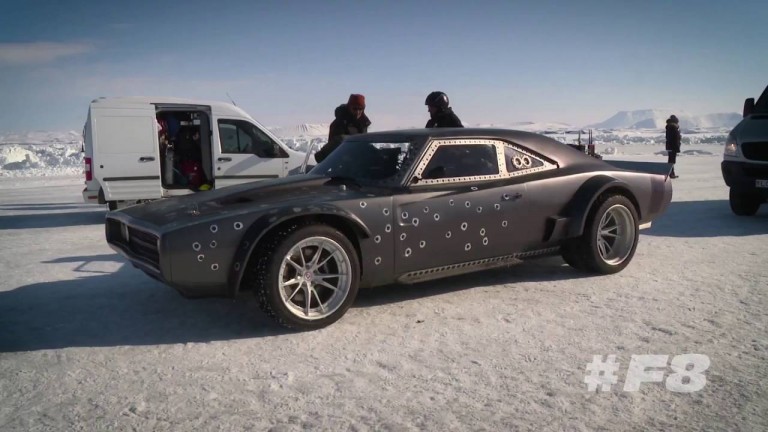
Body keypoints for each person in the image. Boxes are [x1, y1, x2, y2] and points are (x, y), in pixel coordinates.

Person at [315, 93, 371, 163]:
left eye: (360, 109)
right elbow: (336, 146)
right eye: (355, 108)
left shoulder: (363, 123)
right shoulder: (339, 123)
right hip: (343, 162)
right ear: (349, 107)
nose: (358, 112)